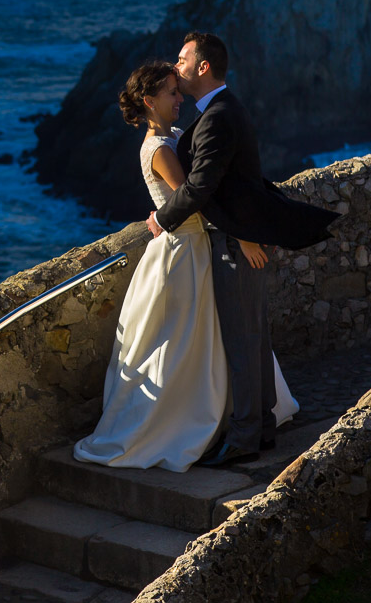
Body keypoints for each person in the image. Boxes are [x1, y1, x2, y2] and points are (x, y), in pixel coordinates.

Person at [73, 60, 299, 472]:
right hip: (182, 254)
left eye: (179, 90)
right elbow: (196, 199)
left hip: (199, 249)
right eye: (171, 93)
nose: (180, 99)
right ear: (149, 101)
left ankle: (232, 420)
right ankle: (183, 422)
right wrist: (245, 235)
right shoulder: (158, 148)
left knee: (209, 339)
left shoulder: (175, 135)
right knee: (178, 344)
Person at [148, 32, 339, 467]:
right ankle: (264, 428)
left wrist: (161, 219)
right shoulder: (223, 108)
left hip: (232, 241)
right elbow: (237, 184)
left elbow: (203, 187)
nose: (175, 66)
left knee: (243, 338)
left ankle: (245, 437)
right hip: (240, 235)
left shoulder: (217, 115)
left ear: (202, 67)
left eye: (182, 59)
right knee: (254, 336)